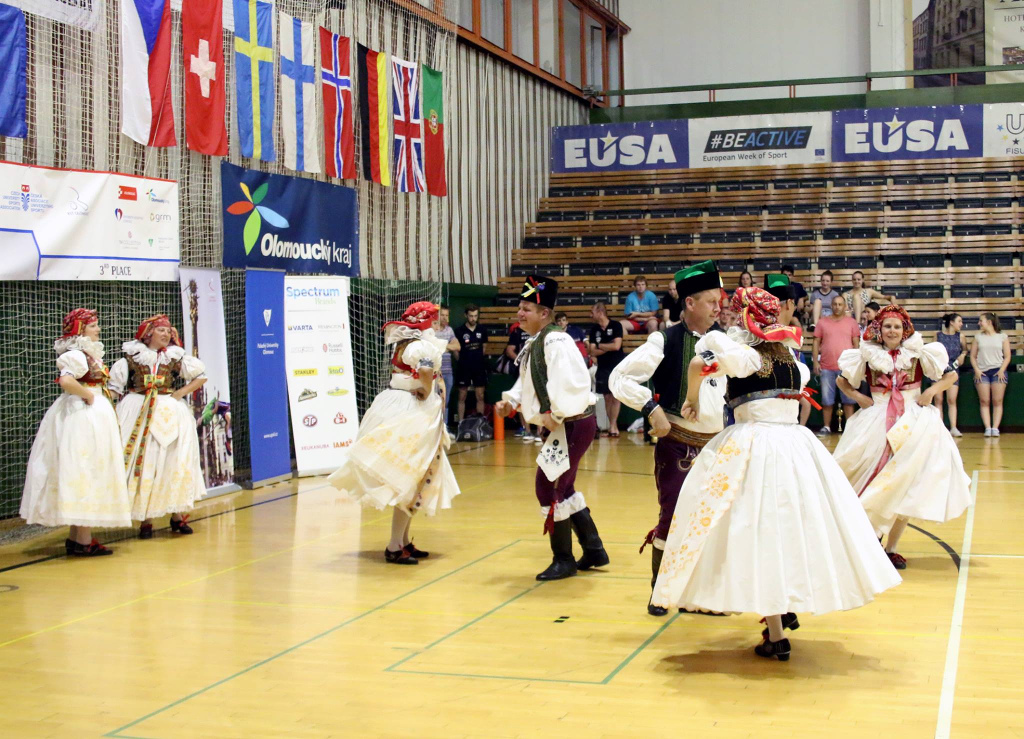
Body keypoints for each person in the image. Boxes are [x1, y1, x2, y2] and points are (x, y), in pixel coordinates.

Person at [651, 287, 901, 661]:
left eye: (736, 315)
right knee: (792, 528)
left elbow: (697, 364)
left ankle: (775, 627)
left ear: (745, 318)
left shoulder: (742, 355)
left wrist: (691, 397)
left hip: (751, 446)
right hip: (796, 448)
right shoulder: (791, 358)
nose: (732, 320)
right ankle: (781, 616)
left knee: (753, 530)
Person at [608, 260, 727, 616]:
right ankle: (660, 590)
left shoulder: (725, 341)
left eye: (719, 301)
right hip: (677, 442)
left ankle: (700, 594)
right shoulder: (665, 339)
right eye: (710, 301)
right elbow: (620, 378)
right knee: (674, 515)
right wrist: (651, 408)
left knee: (713, 518)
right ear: (689, 303)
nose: (718, 308)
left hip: (719, 446)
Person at [834, 305, 970, 569]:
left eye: (897, 326)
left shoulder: (918, 353)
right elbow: (842, 382)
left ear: (905, 329)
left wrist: (930, 393)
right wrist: (860, 397)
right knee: (873, 476)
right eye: (887, 326)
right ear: (879, 330)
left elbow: (951, 375)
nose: (892, 331)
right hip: (876, 418)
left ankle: (891, 547)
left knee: (906, 484)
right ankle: (870, 539)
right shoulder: (867, 354)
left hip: (913, 421)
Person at [328, 302, 460, 564]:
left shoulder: (409, 342)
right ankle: (394, 545)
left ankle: (403, 541)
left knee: (415, 478)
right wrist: (425, 389)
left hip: (405, 408)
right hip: (412, 412)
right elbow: (424, 375)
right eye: (433, 319)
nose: (436, 324)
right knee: (410, 479)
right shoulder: (420, 345)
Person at [495, 275, 609, 581]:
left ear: (544, 313)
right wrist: (512, 402)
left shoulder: (556, 341)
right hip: (566, 425)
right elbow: (531, 382)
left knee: (549, 487)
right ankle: (594, 550)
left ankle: (564, 559)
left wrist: (554, 415)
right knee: (562, 486)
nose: (520, 313)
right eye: (519, 307)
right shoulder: (539, 341)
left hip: (573, 423)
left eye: (527, 308)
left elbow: (571, 383)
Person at [20, 309, 133, 557]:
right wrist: (89, 395)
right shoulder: (75, 355)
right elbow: (66, 381)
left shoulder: (87, 355)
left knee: (88, 469)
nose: (98, 330)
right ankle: (83, 540)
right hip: (81, 417)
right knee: (84, 469)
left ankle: (77, 537)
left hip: (89, 415)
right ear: (81, 330)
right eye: (93, 326)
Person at [109, 315, 207, 539]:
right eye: (161, 331)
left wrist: (180, 393)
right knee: (145, 462)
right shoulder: (132, 358)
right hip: (139, 410)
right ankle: (146, 519)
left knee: (173, 460)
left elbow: (201, 376)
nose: (166, 334)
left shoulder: (175, 357)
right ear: (149, 333)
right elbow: (115, 386)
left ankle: (176, 515)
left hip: (169, 410)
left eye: (168, 331)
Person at [813, 294, 860, 435]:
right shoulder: (822, 322)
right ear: (831, 306)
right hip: (827, 366)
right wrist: (815, 361)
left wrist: (855, 364)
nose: (837, 307)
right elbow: (816, 342)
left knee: (849, 399)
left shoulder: (852, 323)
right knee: (827, 400)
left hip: (846, 368)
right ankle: (826, 426)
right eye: (835, 304)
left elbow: (856, 343)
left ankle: (850, 428)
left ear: (845, 306)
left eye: (840, 304)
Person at [971, 312, 1011, 437]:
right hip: (982, 371)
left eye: (980, 320)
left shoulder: (1002, 337)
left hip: (998, 371)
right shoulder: (978, 337)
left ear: (989, 322)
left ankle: (995, 428)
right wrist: (977, 370)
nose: (979, 323)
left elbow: (1007, 356)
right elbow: (972, 356)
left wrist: (1001, 370)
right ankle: (987, 428)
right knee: (984, 400)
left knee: (998, 400)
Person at [590, 303, 626, 438]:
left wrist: (600, 346)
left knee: (616, 396)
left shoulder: (616, 325)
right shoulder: (594, 329)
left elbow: (617, 346)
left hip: (617, 366)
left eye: (592, 311)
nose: (590, 315)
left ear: (600, 312)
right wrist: (606, 347)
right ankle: (611, 425)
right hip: (603, 367)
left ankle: (613, 426)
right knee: (606, 397)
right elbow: (592, 351)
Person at [503, 321, 541, 443]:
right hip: (524, 370)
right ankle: (527, 430)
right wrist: (521, 361)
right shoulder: (517, 332)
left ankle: (540, 431)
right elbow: (510, 350)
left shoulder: (540, 331)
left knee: (540, 399)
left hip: (539, 369)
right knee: (523, 399)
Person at [934, 313, 967, 437]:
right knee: (938, 399)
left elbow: (965, 349)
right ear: (951, 322)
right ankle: (939, 427)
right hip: (938, 370)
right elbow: (933, 351)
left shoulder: (961, 337)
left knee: (951, 399)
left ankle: (953, 427)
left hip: (953, 369)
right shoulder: (937, 335)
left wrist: (963, 355)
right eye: (959, 321)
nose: (961, 324)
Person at [455, 304, 487, 424]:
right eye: (471, 316)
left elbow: (484, 348)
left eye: (475, 316)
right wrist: (464, 361)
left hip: (479, 367)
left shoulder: (482, 330)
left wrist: (477, 360)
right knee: (462, 395)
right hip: (464, 368)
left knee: (480, 395)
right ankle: (460, 424)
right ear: (466, 315)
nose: (473, 318)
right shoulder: (459, 331)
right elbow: (456, 351)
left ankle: (480, 423)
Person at [433, 305, 459, 434]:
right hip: (434, 373)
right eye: (442, 315)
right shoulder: (432, 330)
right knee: (433, 402)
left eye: (447, 315)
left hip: (448, 372)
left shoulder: (449, 330)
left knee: (445, 402)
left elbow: (457, 346)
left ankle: (444, 428)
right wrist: (448, 347)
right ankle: (433, 429)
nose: (445, 317)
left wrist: (442, 346)